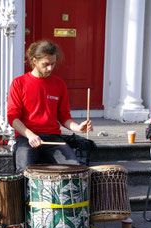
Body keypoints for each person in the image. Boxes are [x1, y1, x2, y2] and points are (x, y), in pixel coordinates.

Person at [7, 40, 93, 173]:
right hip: (27, 137)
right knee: (24, 172)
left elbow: (64, 117)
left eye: (53, 64)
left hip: (53, 138)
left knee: (74, 169)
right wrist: (30, 135)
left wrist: (78, 128)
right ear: (34, 61)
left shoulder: (59, 84)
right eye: (45, 64)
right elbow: (12, 117)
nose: (50, 68)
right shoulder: (19, 83)